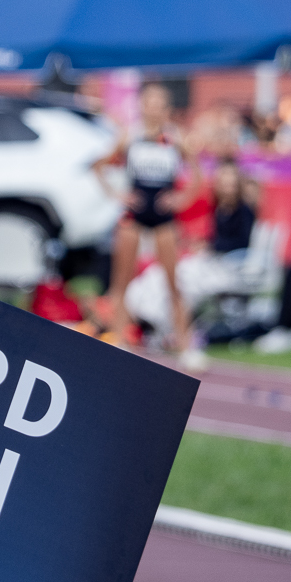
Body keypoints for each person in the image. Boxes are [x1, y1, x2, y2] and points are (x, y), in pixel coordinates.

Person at [95, 83, 205, 370]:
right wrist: (117, 194)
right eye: (149, 102)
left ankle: (185, 346)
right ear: (141, 105)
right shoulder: (129, 135)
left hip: (163, 218)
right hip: (134, 215)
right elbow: (100, 166)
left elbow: (196, 173)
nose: (153, 108)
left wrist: (181, 198)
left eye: (158, 103)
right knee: (121, 281)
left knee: (173, 283)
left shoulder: (175, 137)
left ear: (166, 108)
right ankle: (118, 340)